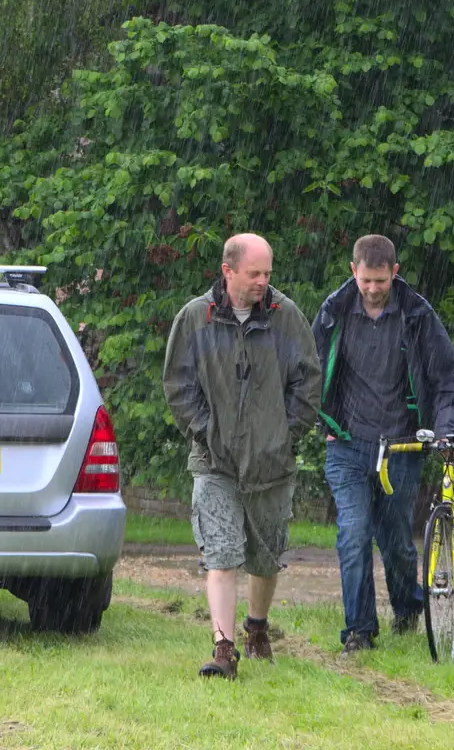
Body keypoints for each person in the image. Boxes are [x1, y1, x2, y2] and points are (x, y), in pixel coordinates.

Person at [163, 232, 321, 679]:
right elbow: (178, 385)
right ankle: (223, 649)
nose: (263, 282)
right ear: (227, 271)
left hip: (272, 464)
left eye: (267, 273)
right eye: (254, 273)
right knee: (221, 553)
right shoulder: (196, 318)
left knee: (266, 557)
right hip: (214, 461)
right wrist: (205, 431)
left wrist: (284, 435)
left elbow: (308, 380)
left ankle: (256, 627)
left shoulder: (285, 317)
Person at [313, 234, 454, 654]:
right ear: (354, 272)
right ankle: (359, 632)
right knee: (354, 533)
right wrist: (321, 418)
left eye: (381, 281)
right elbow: (307, 375)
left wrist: (446, 431)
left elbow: (449, 382)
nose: (373, 289)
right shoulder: (333, 312)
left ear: (394, 273)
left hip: (401, 447)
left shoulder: (417, 314)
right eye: (366, 280)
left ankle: (407, 607)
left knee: (397, 543)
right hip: (346, 445)